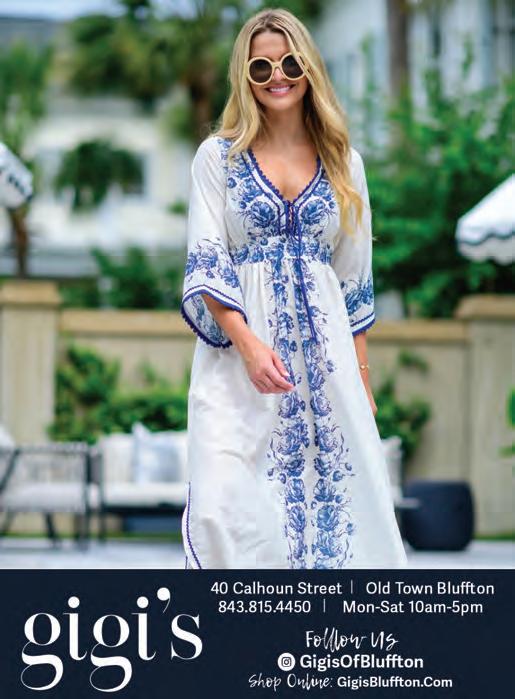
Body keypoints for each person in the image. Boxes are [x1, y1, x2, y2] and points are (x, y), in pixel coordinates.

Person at [180, 8, 408, 569]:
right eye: (261, 67)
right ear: (245, 77)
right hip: (236, 365)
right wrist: (249, 346)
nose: (277, 76)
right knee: (219, 504)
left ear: (309, 68)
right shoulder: (218, 158)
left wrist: (362, 382)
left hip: (327, 366)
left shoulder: (345, 163)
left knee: (337, 512)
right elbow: (207, 260)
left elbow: (355, 282)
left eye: (289, 63)